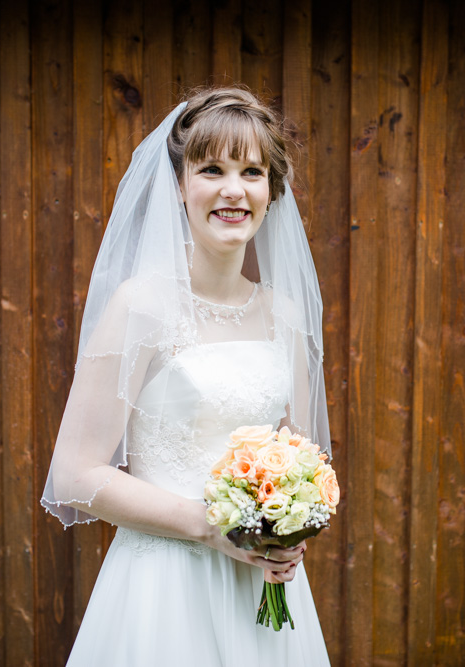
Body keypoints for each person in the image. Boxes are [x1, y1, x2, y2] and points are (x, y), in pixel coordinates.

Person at [40, 86, 331, 666]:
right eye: (212, 169)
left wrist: (287, 531)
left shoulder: (286, 318)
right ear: (179, 184)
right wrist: (209, 527)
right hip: (163, 591)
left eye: (252, 172)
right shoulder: (141, 307)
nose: (234, 189)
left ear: (272, 191)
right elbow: (74, 474)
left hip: (259, 590)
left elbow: (301, 458)